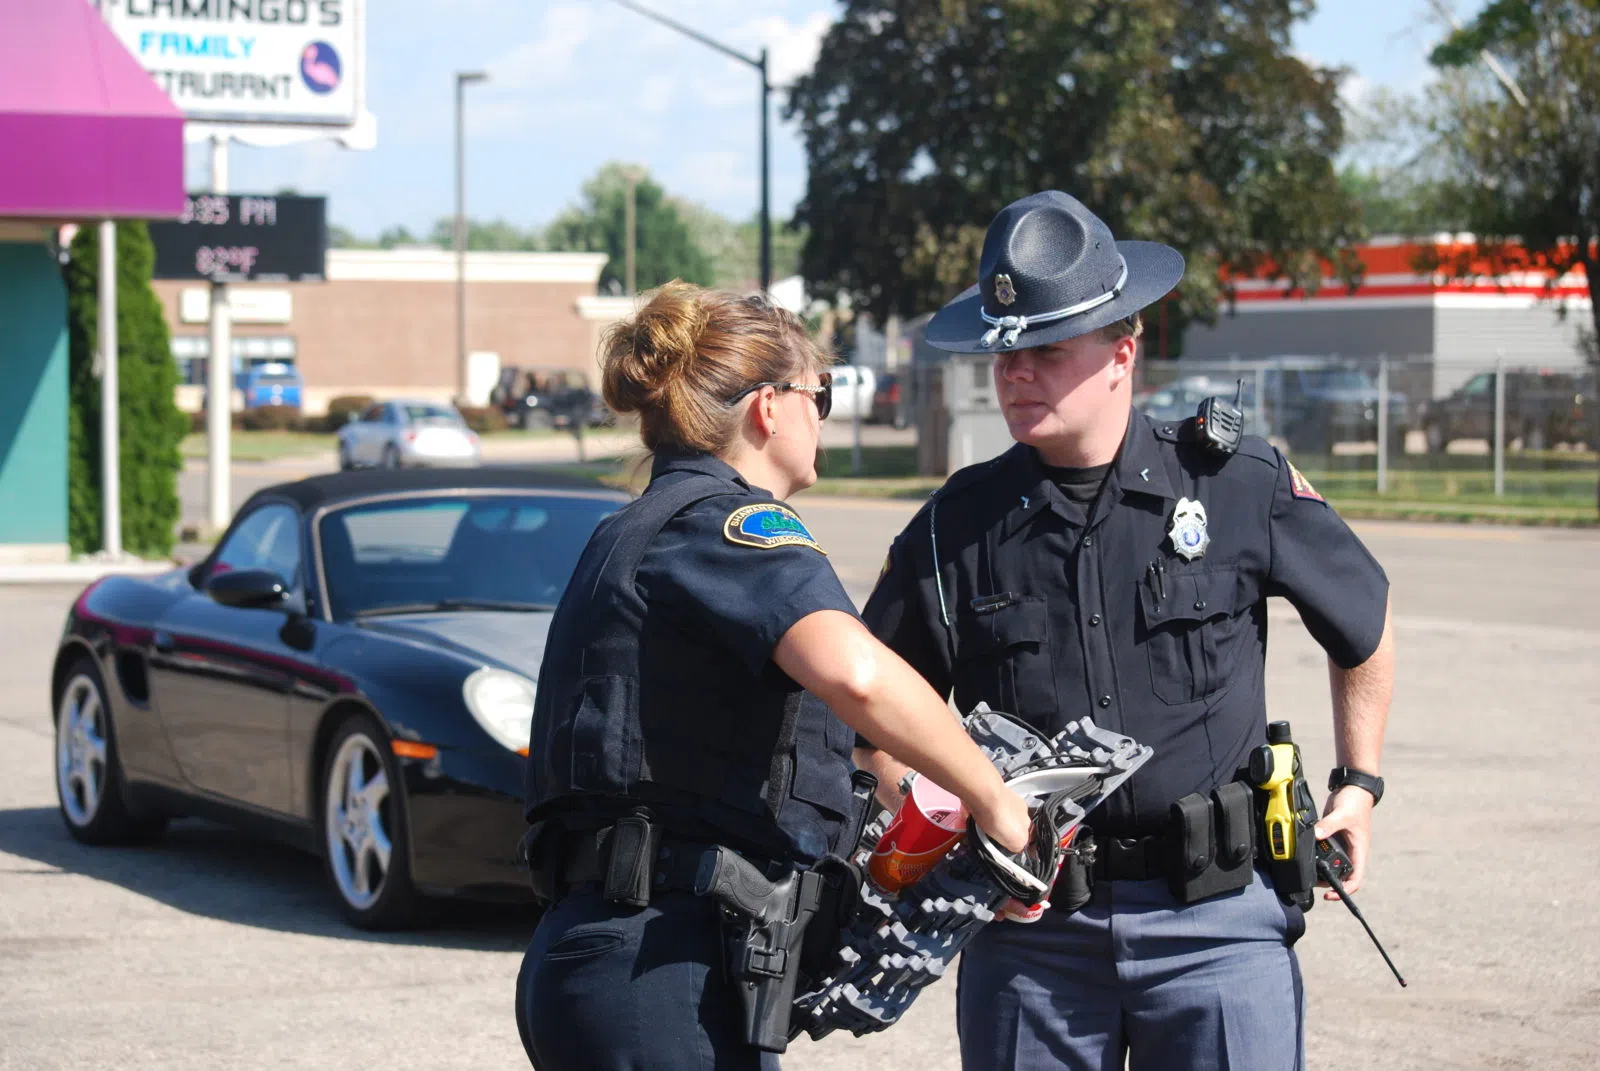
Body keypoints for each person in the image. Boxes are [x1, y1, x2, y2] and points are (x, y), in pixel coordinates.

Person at [856, 191, 1395, 1071]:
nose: (1015, 374)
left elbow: (1363, 622)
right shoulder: (955, 529)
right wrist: (953, 832)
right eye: (1005, 354)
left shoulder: (1235, 484)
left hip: (1218, 926)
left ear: (1122, 351)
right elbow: (869, 720)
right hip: (1034, 940)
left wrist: (1360, 783)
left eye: (1046, 351)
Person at [514, 282, 1033, 1070]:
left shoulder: (642, 526)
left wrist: (934, 820)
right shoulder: (728, 526)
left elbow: (780, 743)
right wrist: (998, 802)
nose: (821, 416)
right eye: (819, 395)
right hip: (663, 967)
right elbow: (857, 673)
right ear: (768, 407)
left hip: (628, 955)